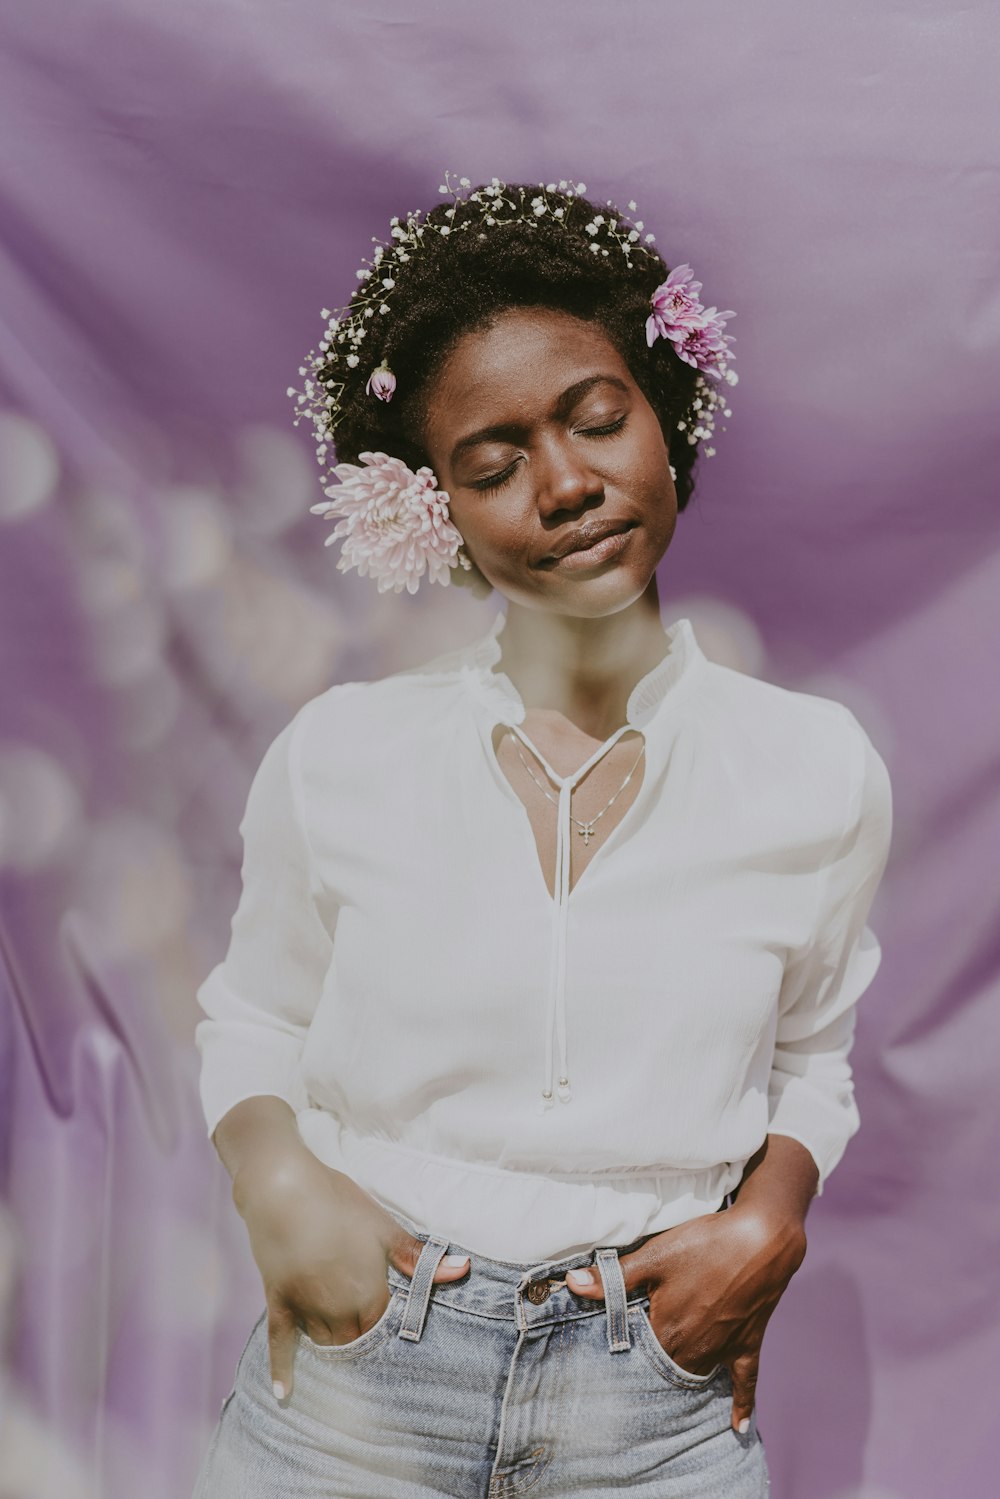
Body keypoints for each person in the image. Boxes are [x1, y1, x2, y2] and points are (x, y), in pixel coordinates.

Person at [191, 177, 893, 1497]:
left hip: (656, 1404)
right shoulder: (339, 758)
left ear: (664, 420)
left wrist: (773, 1215)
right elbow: (255, 1012)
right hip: (358, 1380)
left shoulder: (817, 772)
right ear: (433, 510)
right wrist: (276, 1178)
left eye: (595, 418)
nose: (566, 485)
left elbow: (813, 1049)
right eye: (495, 464)